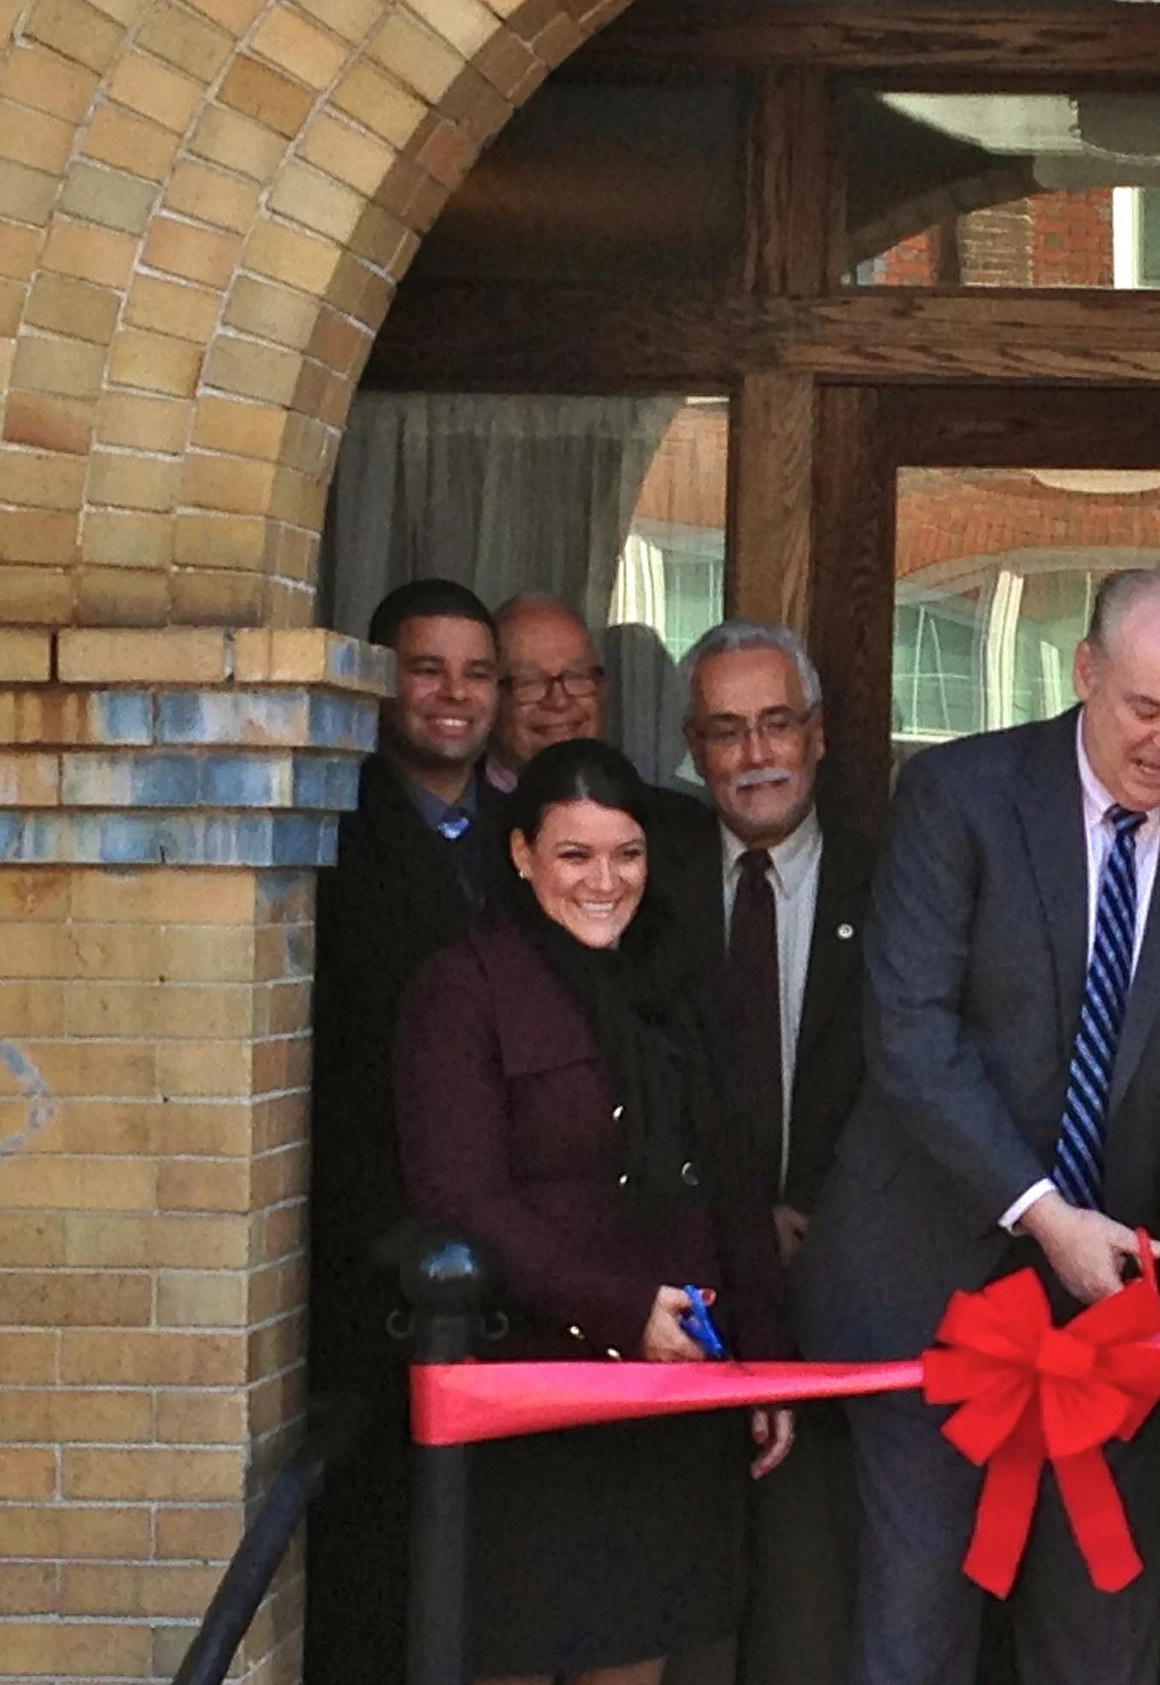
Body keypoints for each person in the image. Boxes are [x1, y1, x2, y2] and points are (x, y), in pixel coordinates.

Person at [793, 561, 1160, 1685]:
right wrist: (1042, 1211)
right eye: (1146, 707)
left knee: (1102, 1629)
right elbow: (911, 1036)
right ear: (1084, 673)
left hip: (1114, 1297)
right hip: (924, 1272)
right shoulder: (960, 793)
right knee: (916, 1626)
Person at [396, 739, 797, 1685]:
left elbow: (732, 1182)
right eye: (574, 855)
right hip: (530, 1400)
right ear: (522, 853)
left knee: (634, 1659)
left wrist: (767, 1360)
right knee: (514, 1653)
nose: (604, 882)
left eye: (627, 854)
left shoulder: (678, 978)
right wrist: (619, 1311)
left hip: (671, 1400)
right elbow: (460, 1196)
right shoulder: (464, 986)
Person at [665, 619, 875, 1685]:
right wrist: (734, 1227)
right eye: (727, 730)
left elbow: (921, 1077)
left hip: (848, 1285)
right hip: (686, 1297)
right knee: (685, 1612)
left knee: (814, 1611)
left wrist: (827, 1217)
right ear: (693, 748)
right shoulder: (640, 884)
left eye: (777, 723)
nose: (755, 754)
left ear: (819, 733)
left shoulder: (892, 880)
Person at [306, 577, 506, 1685]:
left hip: (508, 1268)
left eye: (477, 673)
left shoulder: (530, 833)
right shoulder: (330, 829)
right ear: (383, 681)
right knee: (376, 1575)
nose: (453, 694)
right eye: (427, 669)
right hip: (373, 1260)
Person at [486, 592, 609, 794]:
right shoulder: (456, 809)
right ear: (490, 697)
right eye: (529, 681)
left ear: (602, 688)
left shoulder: (648, 809)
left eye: (577, 676)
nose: (559, 701)